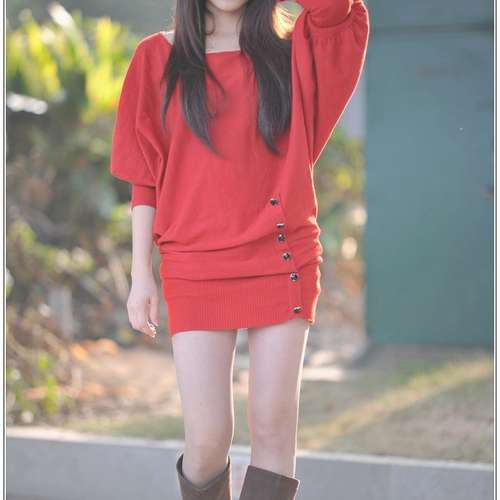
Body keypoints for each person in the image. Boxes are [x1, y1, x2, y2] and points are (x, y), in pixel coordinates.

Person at [109, 0, 369, 498]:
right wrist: (141, 273)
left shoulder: (294, 52)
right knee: (207, 440)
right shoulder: (155, 57)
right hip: (192, 263)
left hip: (281, 255)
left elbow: (337, 11)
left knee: (272, 427)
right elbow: (145, 179)